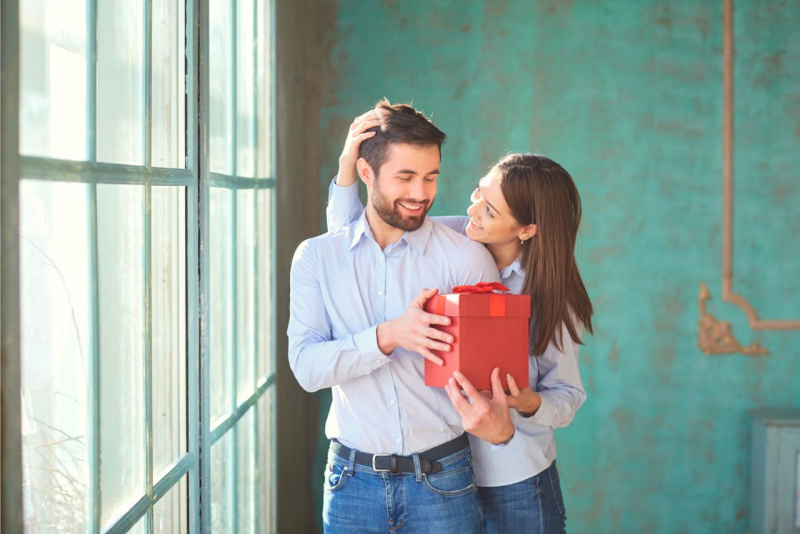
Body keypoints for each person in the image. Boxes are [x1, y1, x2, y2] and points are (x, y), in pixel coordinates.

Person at [328, 110, 593, 534]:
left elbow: (568, 397)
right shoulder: (449, 239)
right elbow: (350, 249)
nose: (471, 209)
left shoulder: (552, 298)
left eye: (489, 209)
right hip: (442, 475)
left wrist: (523, 401)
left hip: (513, 481)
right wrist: (348, 169)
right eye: (477, 192)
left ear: (526, 229)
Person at [288, 101, 517, 533]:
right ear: (367, 174)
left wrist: (502, 422)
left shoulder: (466, 260)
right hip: (350, 485)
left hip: (444, 481)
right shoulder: (317, 259)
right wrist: (388, 336)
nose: (420, 194)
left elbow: (491, 379)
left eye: (430, 177)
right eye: (405, 177)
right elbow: (306, 368)